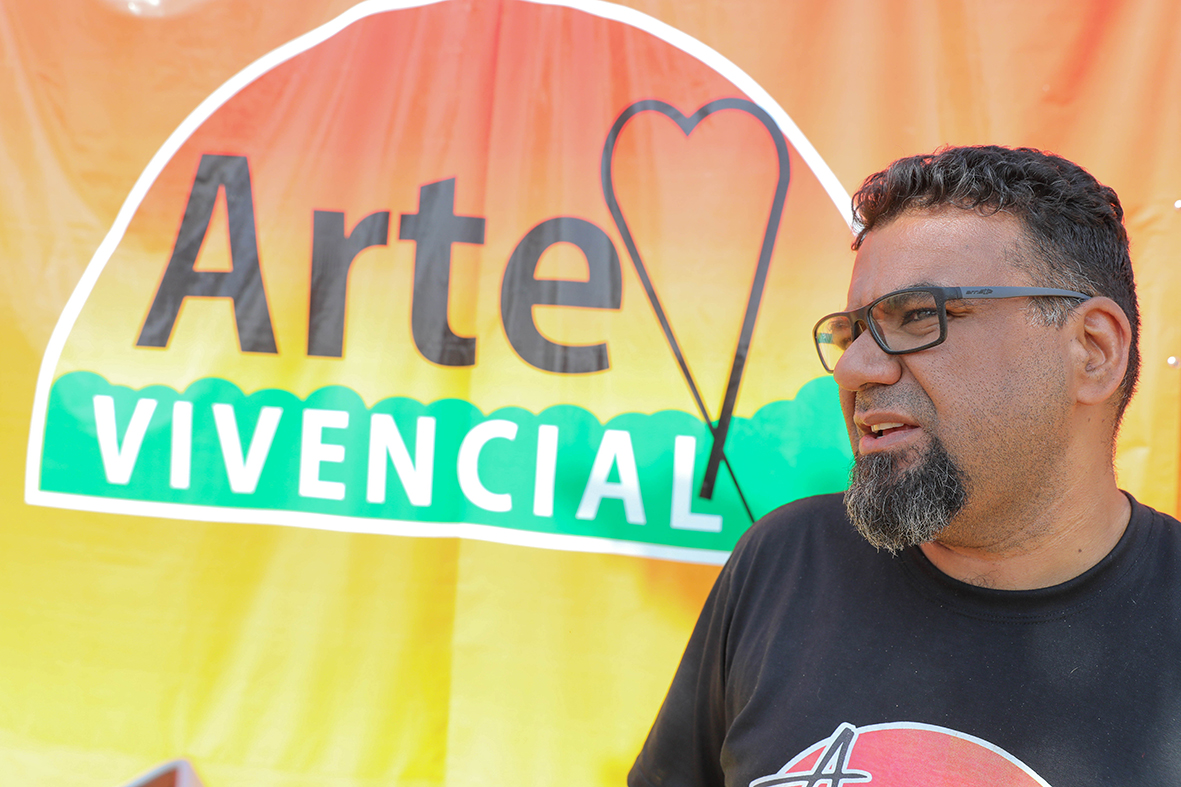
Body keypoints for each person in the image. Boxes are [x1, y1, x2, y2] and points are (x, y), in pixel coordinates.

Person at [628, 146, 1181, 787]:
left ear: (1093, 351)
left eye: (919, 316)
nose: (854, 368)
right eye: (852, 331)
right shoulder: (782, 563)